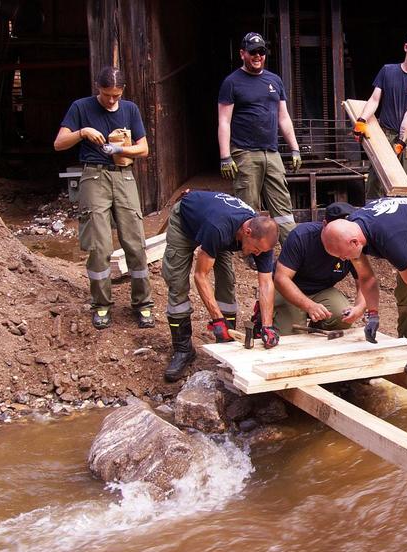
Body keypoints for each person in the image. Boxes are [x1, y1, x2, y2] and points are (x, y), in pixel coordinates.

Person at [53, 66, 153, 330]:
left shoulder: (129, 109)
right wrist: (82, 132)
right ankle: (101, 304)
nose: (111, 100)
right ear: (98, 88)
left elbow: (143, 148)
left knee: (135, 242)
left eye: (116, 95)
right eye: (107, 94)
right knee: (99, 245)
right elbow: (59, 143)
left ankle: (143, 304)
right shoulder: (81, 107)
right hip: (94, 176)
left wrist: (120, 148)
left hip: (124, 175)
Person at [320, 197, 407, 376]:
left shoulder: (387, 235)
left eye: (342, 255)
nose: (342, 259)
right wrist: (373, 315)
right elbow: (366, 278)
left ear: (354, 242)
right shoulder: (353, 230)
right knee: (405, 287)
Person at [161, 191, 281, 382]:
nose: (257, 255)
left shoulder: (262, 237)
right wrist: (217, 320)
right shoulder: (218, 228)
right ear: (247, 232)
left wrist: (267, 326)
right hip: (186, 224)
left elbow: (266, 282)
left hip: (223, 231)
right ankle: (183, 350)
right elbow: (200, 276)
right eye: (256, 250)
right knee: (177, 283)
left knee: (226, 280)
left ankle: (227, 343)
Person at [217, 31, 300, 238]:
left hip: (271, 153)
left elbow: (284, 117)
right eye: (252, 52)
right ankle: (253, 251)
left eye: (261, 52)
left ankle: (291, 248)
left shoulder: (275, 81)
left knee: (282, 207)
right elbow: (224, 121)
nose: (257, 56)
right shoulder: (232, 82)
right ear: (242, 53)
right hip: (244, 153)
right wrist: (225, 156)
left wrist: (295, 148)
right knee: (248, 208)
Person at [273, 202, 381, 338]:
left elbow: (364, 281)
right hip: (288, 290)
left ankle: (315, 328)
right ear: (325, 225)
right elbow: (281, 278)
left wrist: (359, 307)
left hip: (321, 291)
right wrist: (309, 305)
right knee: (291, 336)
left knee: (341, 316)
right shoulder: (302, 237)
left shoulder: (354, 242)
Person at [352, 34, 407, 198]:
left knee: (406, 180)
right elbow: (374, 99)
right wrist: (361, 120)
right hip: (385, 132)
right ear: (406, 47)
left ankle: (404, 216)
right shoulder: (387, 71)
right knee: (377, 177)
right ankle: (373, 216)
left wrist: (402, 141)